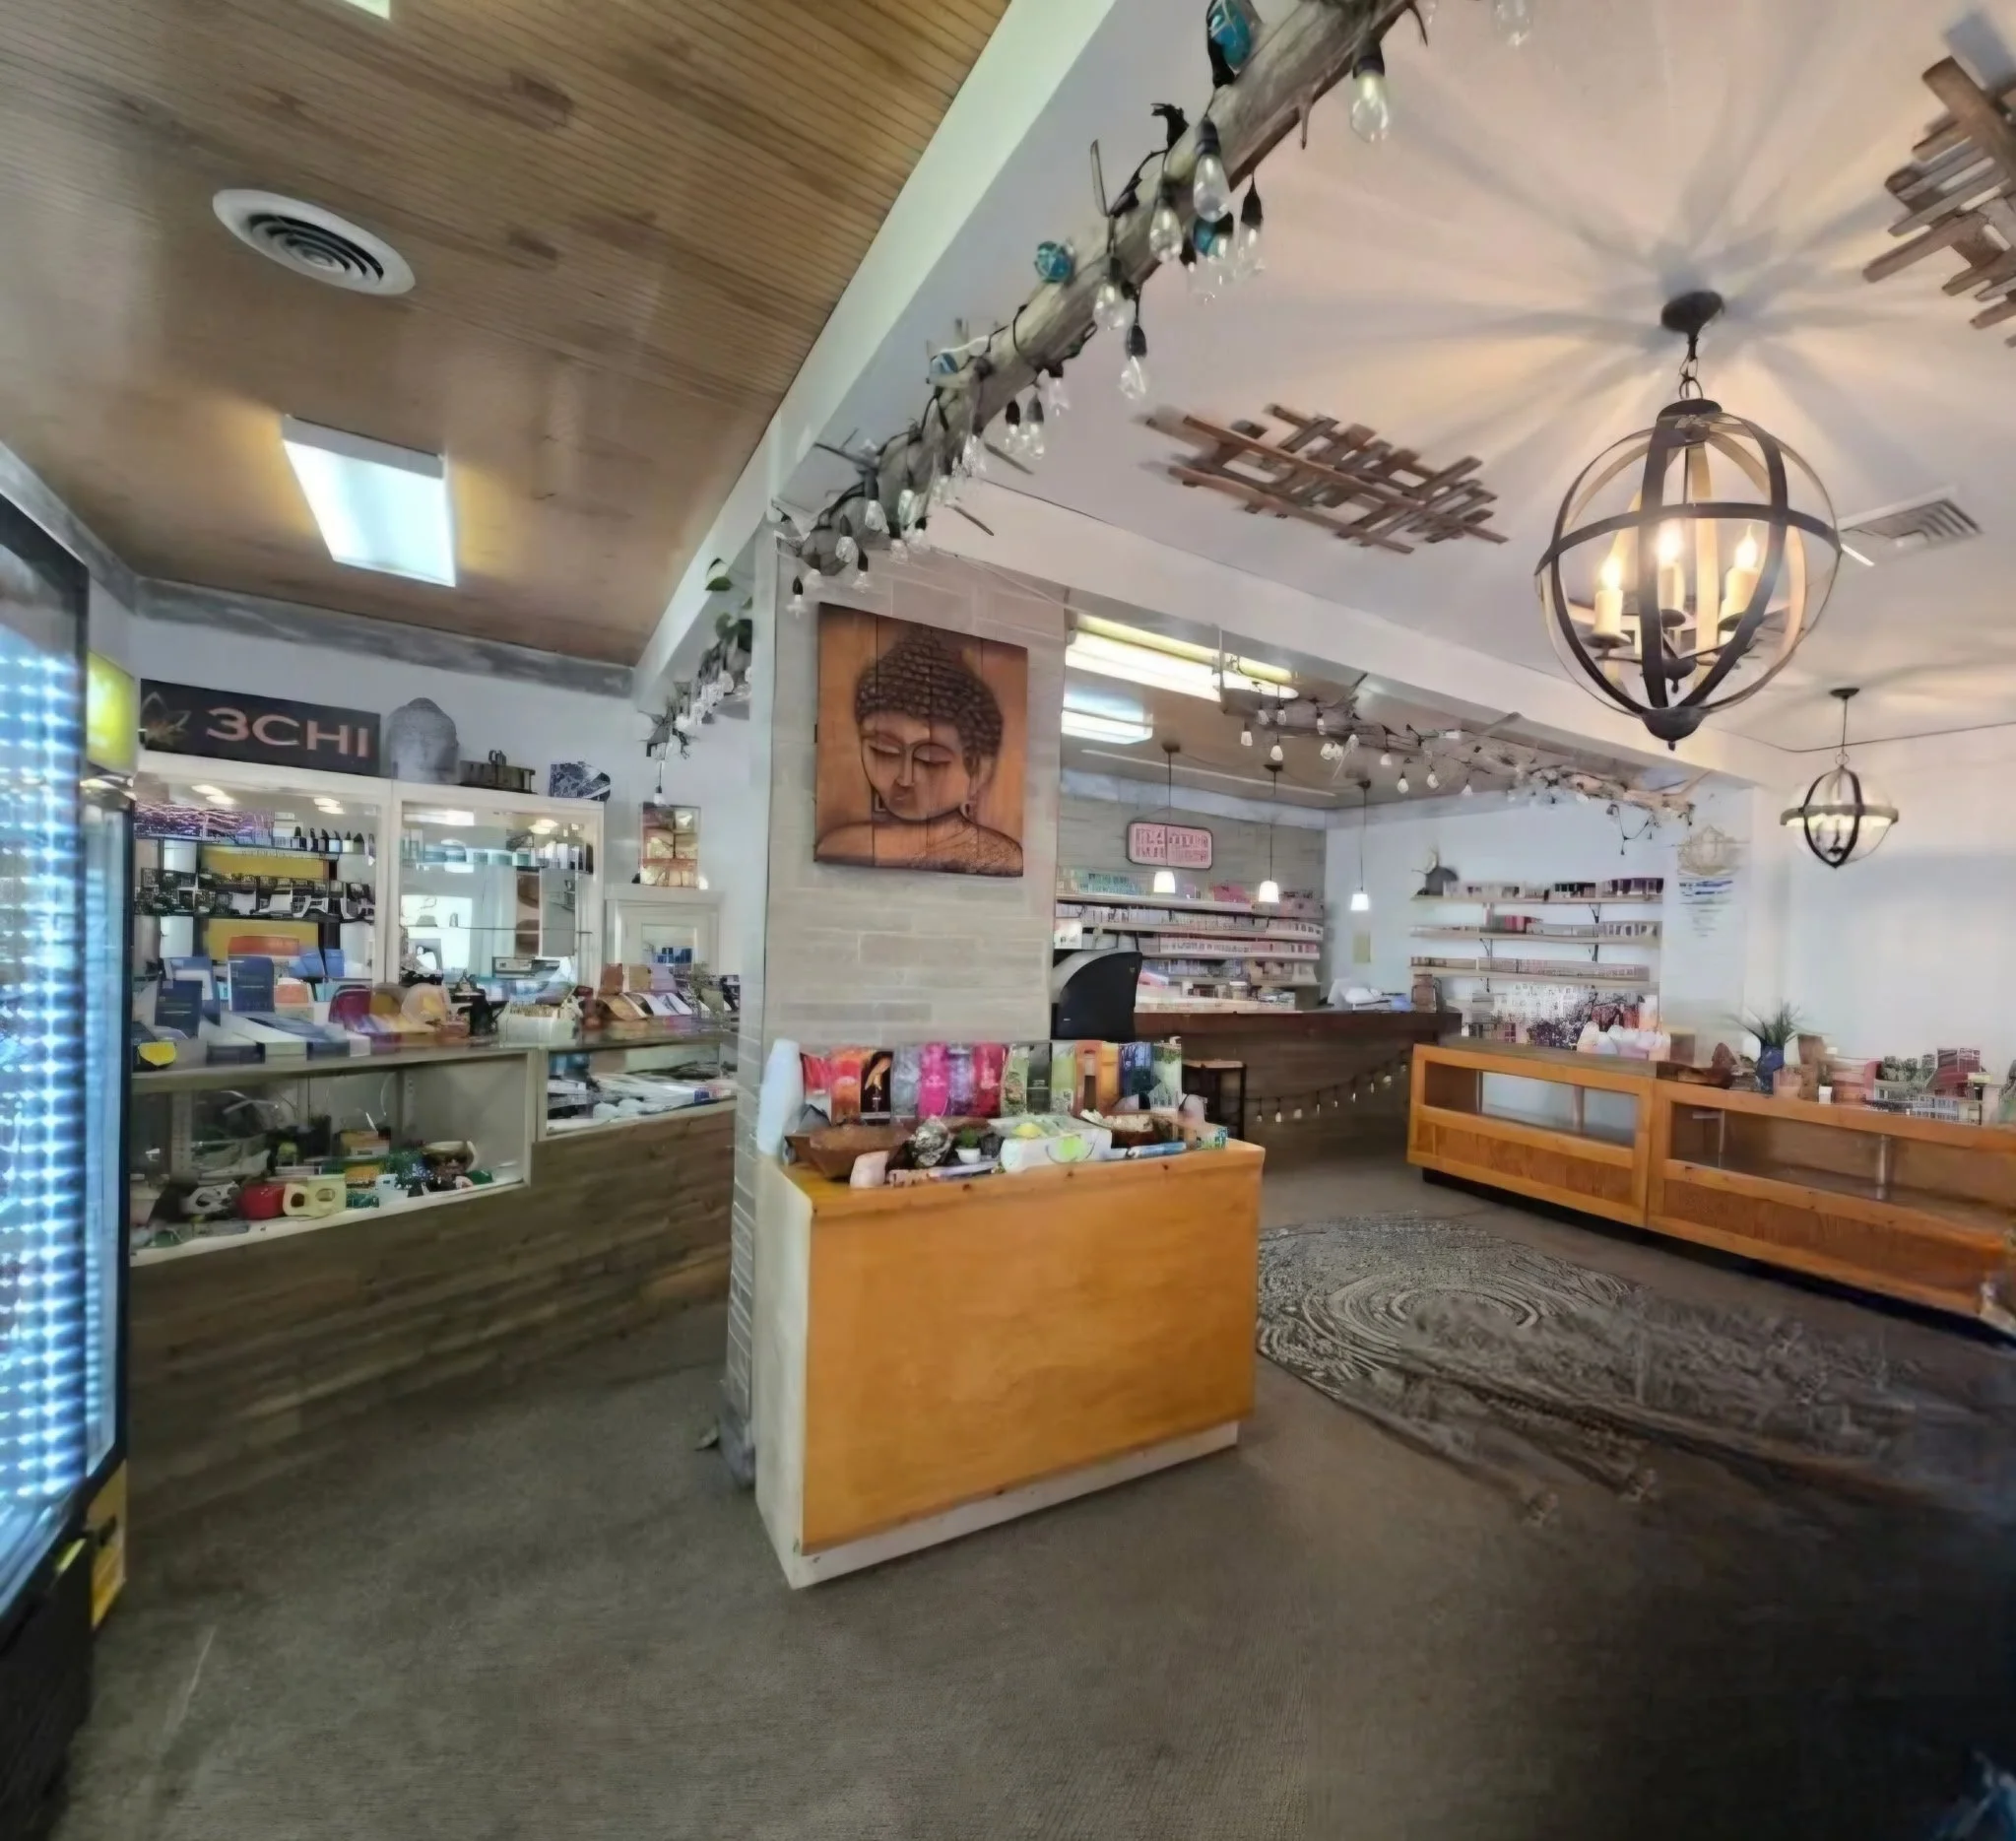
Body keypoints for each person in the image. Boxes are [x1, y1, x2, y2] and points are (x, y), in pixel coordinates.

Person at [816, 624, 1023, 875]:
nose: (905, 779)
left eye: (929, 760)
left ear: (978, 768)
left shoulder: (1000, 856)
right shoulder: (843, 846)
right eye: (884, 752)